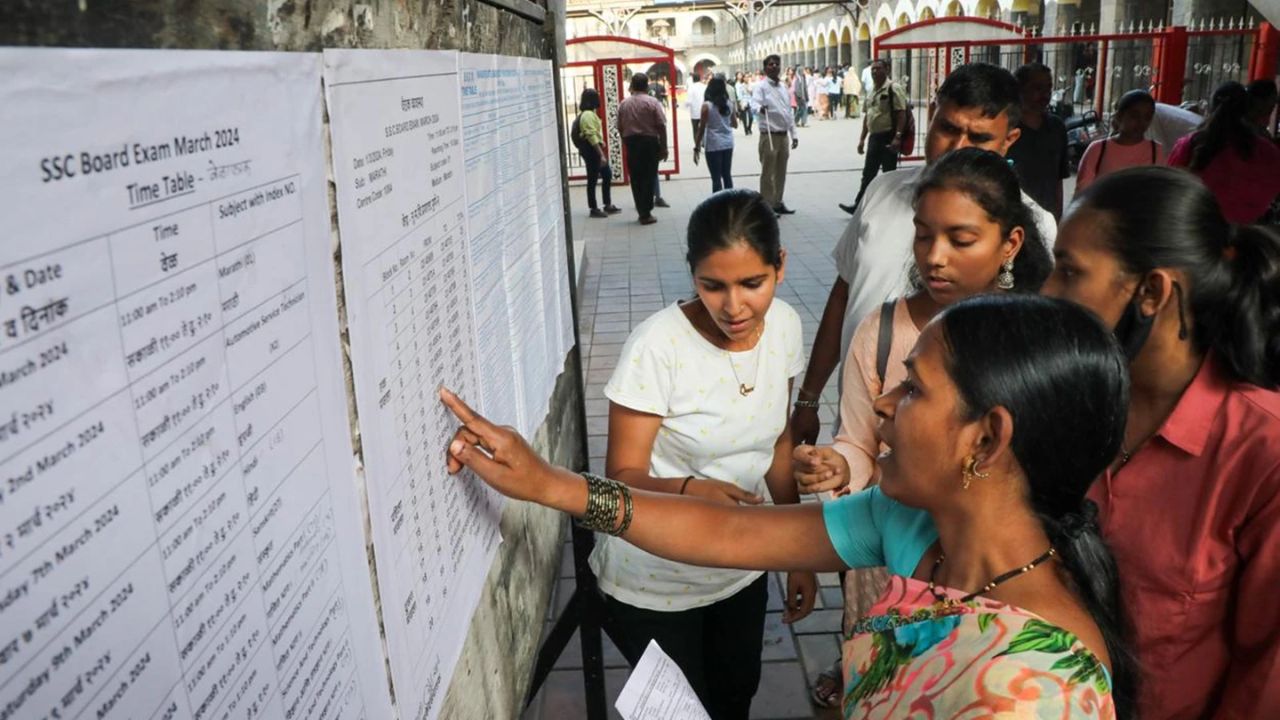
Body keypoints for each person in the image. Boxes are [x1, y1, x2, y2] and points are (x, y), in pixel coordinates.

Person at [441, 293, 1139, 719]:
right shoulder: (910, 524)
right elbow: (733, 530)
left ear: (986, 439)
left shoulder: (1038, 691)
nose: (884, 405)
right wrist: (553, 487)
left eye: (915, 391)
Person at [802, 147, 1054, 708]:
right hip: (889, 553)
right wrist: (843, 463)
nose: (935, 257)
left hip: (989, 570)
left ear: (1010, 243)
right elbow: (859, 436)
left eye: (960, 240)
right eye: (923, 236)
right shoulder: (883, 329)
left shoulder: (1039, 345)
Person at [1043, 166, 1280, 718]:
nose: (1047, 293)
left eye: (1069, 273)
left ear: (1152, 291)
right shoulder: (1064, 404)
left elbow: (1267, 674)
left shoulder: (1261, 451)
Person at [594, 189, 817, 719]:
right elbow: (620, 475)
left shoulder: (784, 325)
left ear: (779, 266)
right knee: (682, 712)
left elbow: (778, 443)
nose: (734, 307)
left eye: (751, 283)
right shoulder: (657, 348)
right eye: (712, 286)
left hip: (742, 564)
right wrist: (692, 492)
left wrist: (798, 556)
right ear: (691, 272)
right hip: (655, 579)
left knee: (735, 695)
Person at [792, 63, 1055, 449]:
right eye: (947, 128)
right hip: (859, 430)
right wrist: (809, 398)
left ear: (1009, 139)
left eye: (978, 137)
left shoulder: (1036, 226)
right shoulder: (881, 192)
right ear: (931, 117)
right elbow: (843, 294)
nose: (957, 147)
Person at [1168, 81, 1280, 223]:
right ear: (1247, 108)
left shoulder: (1190, 144)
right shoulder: (1266, 151)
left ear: (1211, 106)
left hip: (1195, 227)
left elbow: (1171, 185)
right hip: (1244, 231)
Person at [842, 60, 908, 214]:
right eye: (873, 69)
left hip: (889, 137)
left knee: (888, 174)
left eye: (878, 69)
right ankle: (858, 206)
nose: (874, 72)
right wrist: (862, 139)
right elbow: (867, 117)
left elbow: (901, 113)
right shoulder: (871, 90)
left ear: (887, 69)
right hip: (875, 137)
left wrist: (898, 136)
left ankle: (891, 208)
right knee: (868, 174)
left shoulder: (893, 88)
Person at [1006, 63, 1069, 218]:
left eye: (1048, 88)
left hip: (1047, 218)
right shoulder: (1005, 128)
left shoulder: (1056, 127)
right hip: (1012, 216)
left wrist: (1057, 218)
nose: (1045, 95)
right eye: (1037, 88)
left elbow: (1058, 179)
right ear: (1020, 90)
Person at [1075, 90, 1164, 195]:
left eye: (1147, 117)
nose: (1141, 122)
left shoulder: (1157, 151)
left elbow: (1161, 193)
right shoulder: (1098, 149)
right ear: (1119, 116)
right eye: (1134, 116)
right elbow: (1082, 193)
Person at [751, 54, 800, 216]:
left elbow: (788, 112)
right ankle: (767, 206)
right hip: (769, 135)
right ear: (765, 68)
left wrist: (794, 134)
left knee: (781, 171)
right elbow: (754, 104)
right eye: (770, 64)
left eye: (776, 64)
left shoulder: (783, 88)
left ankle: (778, 202)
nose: (774, 67)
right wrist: (760, 108)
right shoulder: (761, 86)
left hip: (783, 135)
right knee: (768, 173)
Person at [616, 73, 667, 225]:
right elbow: (661, 126)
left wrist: (626, 142)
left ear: (632, 84)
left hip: (632, 143)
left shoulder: (624, 104)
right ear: (646, 85)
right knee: (650, 176)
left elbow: (620, 127)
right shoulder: (652, 102)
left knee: (636, 177)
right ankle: (646, 212)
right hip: (649, 142)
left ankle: (641, 210)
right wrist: (664, 147)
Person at [573, 88, 621, 218]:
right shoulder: (588, 115)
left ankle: (607, 204)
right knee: (593, 178)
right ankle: (594, 208)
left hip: (593, 150)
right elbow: (591, 136)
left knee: (606, 175)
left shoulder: (588, 114)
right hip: (592, 151)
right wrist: (601, 154)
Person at [695, 75, 738, 193]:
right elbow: (735, 124)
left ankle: (718, 206)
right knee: (727, 175)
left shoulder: (707, 106)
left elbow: (701, 128)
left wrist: (697, 146)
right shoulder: (729, 104)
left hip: (713, 144)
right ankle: (730, 203)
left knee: (716, 178)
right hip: (728, 143)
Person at [685, 69, 707, 140]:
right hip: (704, 111)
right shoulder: (704, 86)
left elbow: (689, 101)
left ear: (693, 79)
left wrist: (686, 106)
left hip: (695, 113)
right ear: (700, 78)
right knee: (704, 128)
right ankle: (704, 141)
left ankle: (697, 146)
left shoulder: (691, 87)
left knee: (695, 129)